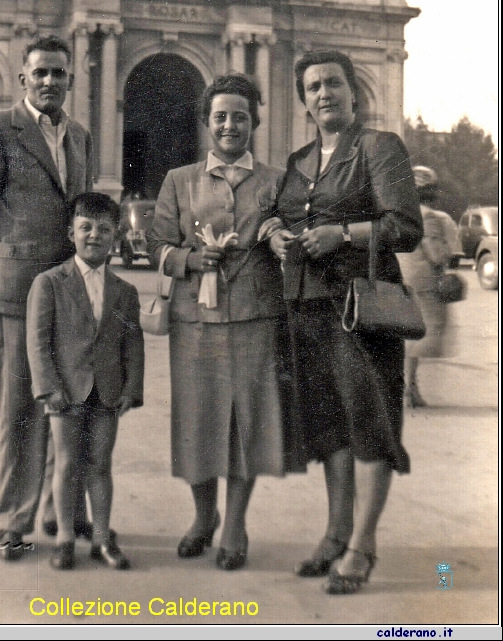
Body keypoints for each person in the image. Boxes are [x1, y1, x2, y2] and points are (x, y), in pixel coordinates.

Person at [264, 50, 423, 595]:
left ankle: (363, 545)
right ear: (304, 100)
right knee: (327, 425)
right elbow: (282, 214)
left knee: (368, 420)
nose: (324, 93)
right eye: (312, 87)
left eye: (333, 83)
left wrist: (344, 234)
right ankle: (335, 533)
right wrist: (274, 233)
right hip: (307, 307)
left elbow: (405, 227)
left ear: (354, 92)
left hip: (363, 311)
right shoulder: (299, 160)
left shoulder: (379, 148)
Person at [0, 36, 93, 560]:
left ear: (70, 80)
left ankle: (60, 513)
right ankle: (13, 520)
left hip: (70, 291)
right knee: (17, 410)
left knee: (69, 400)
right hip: (15, 291)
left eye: (59, 74)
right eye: (41, 74)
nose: (51, 82)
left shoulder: (78, 136)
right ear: (23, 80)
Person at [149, 73, 291, 572]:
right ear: (207, 122)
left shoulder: (276, 181)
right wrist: (190, 260)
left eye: (241, 117)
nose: (230, 125)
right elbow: (156, 247)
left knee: (246, 422)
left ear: (255, 121)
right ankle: (203, 517)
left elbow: (285, 227)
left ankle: (235, 524)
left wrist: (278, 236)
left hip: (256, 317)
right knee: (199, 421)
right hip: (196, 320)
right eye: (221, 117)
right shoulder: (179, 180)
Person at [27, 192, 144, 571]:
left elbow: (133, 344)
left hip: (107, 393)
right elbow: (38, 342)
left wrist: (131, 390)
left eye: (105, 229)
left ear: (116, 237)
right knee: (64, 464)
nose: (94, 235)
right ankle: (64, 538)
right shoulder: (49, 283)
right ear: (71, 232)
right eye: (86, 227)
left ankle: (100, 539)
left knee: (100, 465)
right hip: (64, 393)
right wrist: (49, 390)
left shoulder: (125, 292)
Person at [397, 166, 456, 408]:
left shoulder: (401, 212)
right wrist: (445, 257)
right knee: (418, 337)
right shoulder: (429, 216)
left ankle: (405, 388)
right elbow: (433, 249)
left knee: (404, 336)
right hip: (422, 281)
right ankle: (409, 389)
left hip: (400, 275)